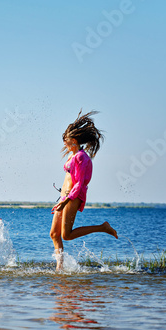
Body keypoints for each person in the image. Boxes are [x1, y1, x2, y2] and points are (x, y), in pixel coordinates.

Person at [50, 111, 118, 271]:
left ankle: (103, 227)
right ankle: (59, 268)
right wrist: (61, 200)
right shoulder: (73, 156)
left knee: (66, 235)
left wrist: (66, 200)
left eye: (66, 141)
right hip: (64, 197)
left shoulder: (81, 157)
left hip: (73, 197)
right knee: (54, 234)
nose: (64, 144)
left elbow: (79, 184)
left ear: (73, 141)